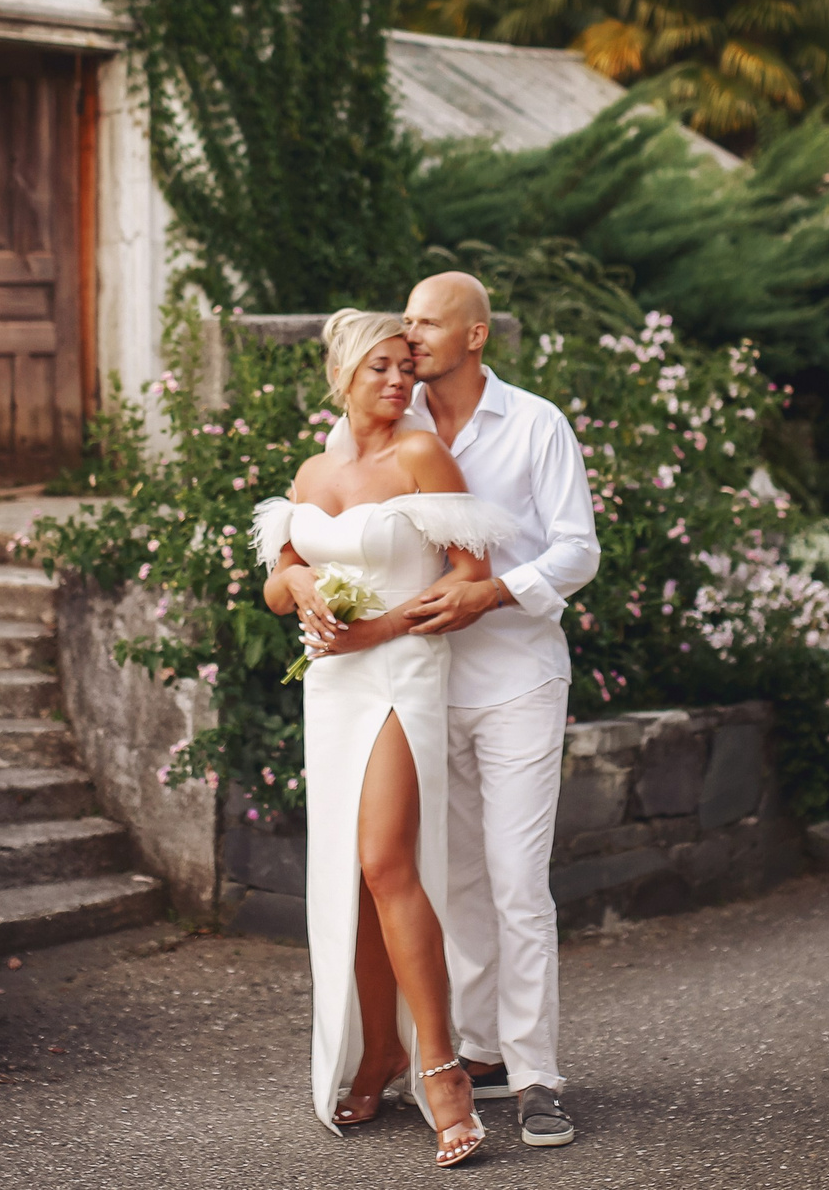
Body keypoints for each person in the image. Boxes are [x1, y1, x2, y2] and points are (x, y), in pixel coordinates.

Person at [328, 271, 601, 1148]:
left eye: (426, 322)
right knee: (454, 881)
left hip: (519, 676)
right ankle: (475, 1048)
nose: (410, 336)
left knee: (519, 881)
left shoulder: (536, 424)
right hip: (419, 688)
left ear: (474, 334)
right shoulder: (391, 422)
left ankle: (537, 1075)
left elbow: (578, 549)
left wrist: (497, 595)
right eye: (402, 322)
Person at [257, 309, 518, 1168]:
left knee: (386, 861)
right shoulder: (313, 468)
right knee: (357, 874)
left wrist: (380, 629)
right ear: (341, 374)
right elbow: (275, 582)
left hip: (402, 673)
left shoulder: (420, 457)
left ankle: (441, 1070)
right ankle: (377, 1051)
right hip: (332, 688)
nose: (400, 382)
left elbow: (468, 577)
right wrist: (294, 575)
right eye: (381, 368)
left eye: (407, 367)